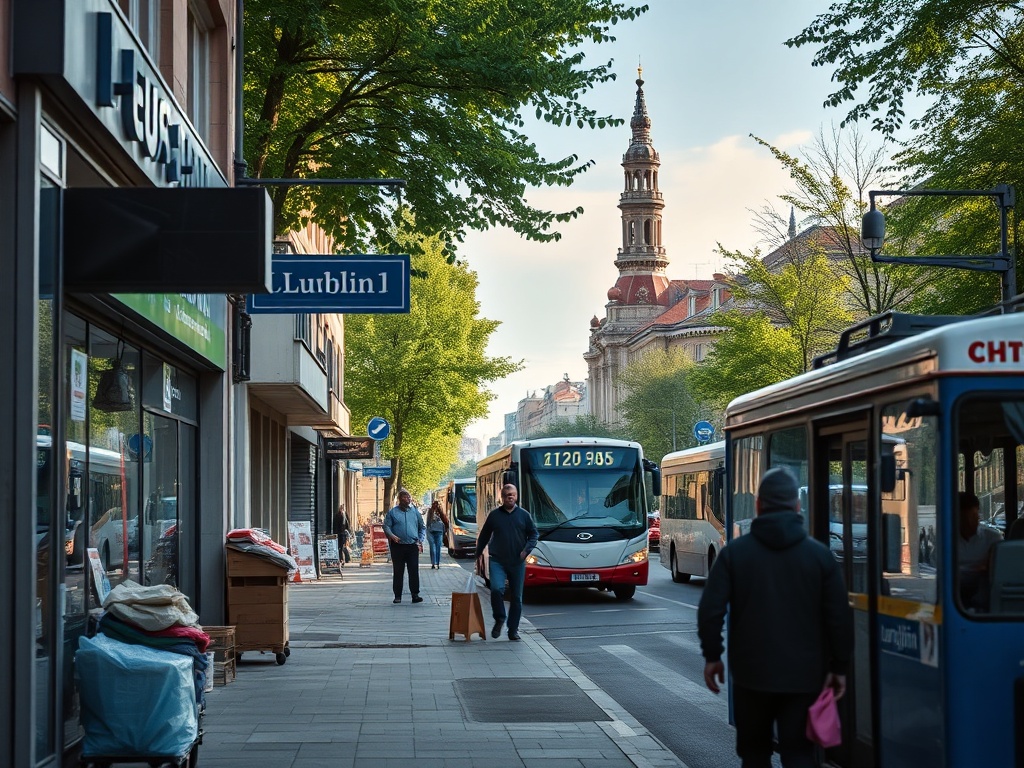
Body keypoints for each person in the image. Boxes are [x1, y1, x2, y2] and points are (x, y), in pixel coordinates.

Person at [697, 468, 854, 768]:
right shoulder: (820, 556)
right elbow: (839, 618)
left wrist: (713, 656)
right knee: (800, 754)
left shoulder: (734, 554)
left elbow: (710, 610)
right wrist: (839, 667)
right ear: (797, 506)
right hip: (804, 677)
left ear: (758, 505)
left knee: (755, 754)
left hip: (751, 676)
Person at [476, 484, 538, 642]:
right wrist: (478, 553)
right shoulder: (494, 515)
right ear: (502, 497)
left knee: (516, 597)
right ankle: (499, 618)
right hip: (497, 560)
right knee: (496, 589)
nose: (510, 497)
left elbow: (533, 534)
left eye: (513, 494)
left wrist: (526, 550)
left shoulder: (524, 515)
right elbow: (484, 535)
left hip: (517, 562)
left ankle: (513, 630)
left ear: (516, 496)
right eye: (507, 494)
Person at [958, 491, 1002, 609]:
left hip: (984, 593)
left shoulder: (992, 538)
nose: (969, 522)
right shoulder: (946, 539)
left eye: (973, 516)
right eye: (964, 518)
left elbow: (996, 569)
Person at [382, 489, 425, 604]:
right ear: (400, 499)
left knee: (413, 570)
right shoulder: (393, 512)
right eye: (405, 497)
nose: (407, 499)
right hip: (398, 546)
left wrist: (420, 539)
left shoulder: (415, 511)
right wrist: (392, 536)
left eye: (409, 497)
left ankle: (415, 595)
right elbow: (386, 526)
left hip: (412, 545)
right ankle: (397, 596)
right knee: (398, 571)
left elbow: (422, 527)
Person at [425, 500, 448, 569]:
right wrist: (427, 530)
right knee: (432, 548)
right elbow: (428, 521)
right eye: (434, 504)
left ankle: (437, 563)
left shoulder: (441, 512)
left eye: (437, 504)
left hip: (439, 531)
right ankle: (433, 563)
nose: (436, 505)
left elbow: (445, 522)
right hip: (431, 531)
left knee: (438, 547)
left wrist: (444, 531)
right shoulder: (430, 511)